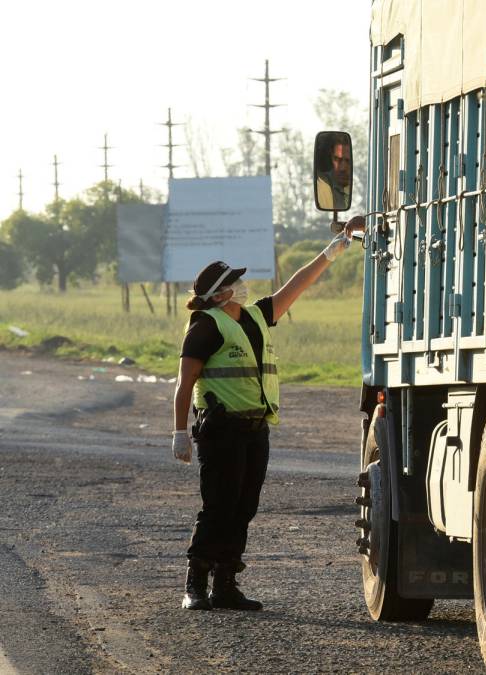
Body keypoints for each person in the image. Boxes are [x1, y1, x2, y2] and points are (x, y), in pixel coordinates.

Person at [172, 218, 363, 611]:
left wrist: (332, 251)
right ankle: (196, 582)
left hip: (255, 429)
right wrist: (179, 432)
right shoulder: (206, 326)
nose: (242, 285)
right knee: (217, 506)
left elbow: (296, 285)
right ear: (219, 293)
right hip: (220, 429)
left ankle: (225, 584)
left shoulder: (257, 316)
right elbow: (185, 381)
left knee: (244, 507)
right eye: (234, 282)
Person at [315, 138, 352, 211]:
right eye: (337, 159)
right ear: (331, 158)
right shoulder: (322, 184)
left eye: (348, 161)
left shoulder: (364, 186)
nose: (343, 168)